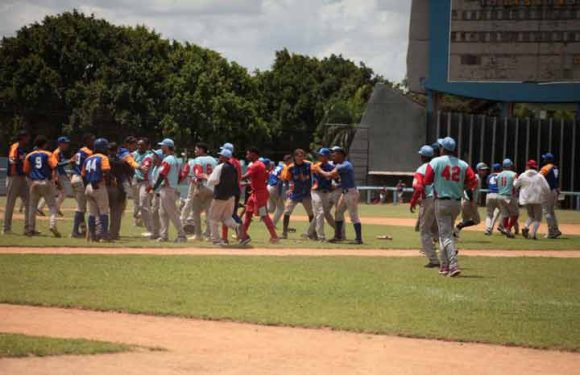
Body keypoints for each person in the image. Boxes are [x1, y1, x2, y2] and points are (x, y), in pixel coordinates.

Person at [423, 137, 478, 277]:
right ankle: (444, 266)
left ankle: (453, 265)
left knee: (446, 235)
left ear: (442, 148)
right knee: (444, 234)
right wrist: (462, 186)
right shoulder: (463, 164)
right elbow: (473, 181)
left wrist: (439, 181)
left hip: (441, 201)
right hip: (456, 202)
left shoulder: (436, 161)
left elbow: (426, 180)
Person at [317, 146, 363, 245]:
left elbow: (329, 175)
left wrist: (318, 169)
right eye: (332, 153)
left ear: (341, 155)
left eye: (335, 153)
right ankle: (338, 236)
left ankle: (359, 239)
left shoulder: (346, 165)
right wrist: (337, 184)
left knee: (353, 216)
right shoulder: (340, 165)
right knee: (338, 213)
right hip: (345, 192)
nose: (332, 155)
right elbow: (340, 179)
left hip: (351, 193)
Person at [238, 147, 279, 245]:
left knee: (264, 215)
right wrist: (248, 184)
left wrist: (234, 177)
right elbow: (258, 179)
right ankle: (243, 235)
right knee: (248, 213)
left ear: (254, 154)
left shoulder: (256, 165)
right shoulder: (260, 164)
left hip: (259, 194)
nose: (247, 156)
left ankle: (274, 237)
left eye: (248, 154)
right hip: (255, 193)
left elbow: (246, 176)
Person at [149, 138, 186, 243]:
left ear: (167, 147)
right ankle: (164, 235)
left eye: (162, 146)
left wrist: (154, 187)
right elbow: (180, 176)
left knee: (172, 213)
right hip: (169, 188)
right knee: (163, 213)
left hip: (167, 189)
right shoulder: (175, 159)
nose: (161, 147)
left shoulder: (168, 159)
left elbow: (162, 174)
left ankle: (182, 235)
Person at [23, 135, 60, 237]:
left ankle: (30, 228)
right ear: (44, 144)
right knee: (52, 206)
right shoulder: (48, 154)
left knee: (32, 207)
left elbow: (26, 171)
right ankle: (52, 225)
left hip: (34, 182)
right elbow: (55, 166)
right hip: (45, 181)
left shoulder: (29, 155)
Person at [180, 143, 217, 241]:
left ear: (201, 150)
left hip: (200, 186)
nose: (195, 151)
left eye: (196, 149)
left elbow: (198, 174)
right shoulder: (214, 160)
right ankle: (209, 235)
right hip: (212, 188)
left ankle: (198, 234)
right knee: (209, 212)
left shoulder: (197, 160)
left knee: (195, 211)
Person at [410, 145, 439, 267]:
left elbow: (418, 187)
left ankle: (433, 259)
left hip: (429, 200)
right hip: (441, 199)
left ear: (422, 157)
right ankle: (450, 250)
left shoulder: (421, 169)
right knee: (438, 230)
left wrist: (413, 201)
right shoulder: (438, 166)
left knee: (424, 230)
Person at [206, 148, 242, 246]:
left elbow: (213, 181)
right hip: (231, 196)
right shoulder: (233, 168)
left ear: (224, 157)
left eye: (221, 156)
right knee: (226, 217)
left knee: (213, 219)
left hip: (220, 196)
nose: (219, 157)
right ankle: (237, 226)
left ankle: (216, 240)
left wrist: (207, 177)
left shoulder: (220, 167)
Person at [82, 138, 112, 242]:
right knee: (104, 212)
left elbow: (83, 175)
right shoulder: (103, 157)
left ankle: (91, 235)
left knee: (91, 213)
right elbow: (106, 171)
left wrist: (89, 184)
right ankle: (104, 236)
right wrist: (106, 182)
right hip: (99, 186)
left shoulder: (88, 158)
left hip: (89, 186)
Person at [280, 148, 314, 239]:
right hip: (294, 193)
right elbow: (287, 179)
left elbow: (315, 174)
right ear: (294, 157)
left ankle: (312, 233)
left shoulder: (309, 165)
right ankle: (284, 233)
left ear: (304, 156)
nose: (300, 157)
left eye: (302, 155)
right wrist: (288, 189)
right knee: (287, 212)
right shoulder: (290, 167)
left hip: (306, 193)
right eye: (298, 156)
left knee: (311, 214)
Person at [3, 130, 31, 235]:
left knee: (29, 201)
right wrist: (14, 172)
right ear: (22, 137)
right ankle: (6, 228)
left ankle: (28, 228)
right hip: (14, 178)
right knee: (10, 203)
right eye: (27, 137)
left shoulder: (23, 149)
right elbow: (12, 159)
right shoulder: (15, 146)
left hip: (22, 178)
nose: (28, 139)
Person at [514, 160, 550, 240]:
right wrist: (545, 196)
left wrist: (515, 180)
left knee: (531, 215)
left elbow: (516, 186)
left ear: (527, 166)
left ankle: (526, 227)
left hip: (526, 199)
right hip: (537, 199)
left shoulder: (523, 175)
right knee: (538, 218)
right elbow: (547, 188)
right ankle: (533, 234)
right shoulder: (540, 176)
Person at [106, 142, 134, 240]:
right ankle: (114, 234)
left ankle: (101, 233)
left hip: (104, 187)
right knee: (116, 212)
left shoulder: (104, 160)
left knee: (102, 211)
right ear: (117, 150)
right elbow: (131, 172)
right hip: (118, 187)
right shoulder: (122, 161)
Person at [308, 148, 337, 242]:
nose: (320, 156)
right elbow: (326, 175)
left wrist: (335, 182)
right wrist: (332, 174)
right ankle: (321, 237)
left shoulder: (331, 167)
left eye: (322, 155)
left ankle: (309, 232)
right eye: (319, 155)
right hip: (316, 192)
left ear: (327, 157)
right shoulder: (316, 166)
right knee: (320, 213)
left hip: (326, 193)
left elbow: (336, 178)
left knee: (321, 214)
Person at [70, 133, 95, 238]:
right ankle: (75, 232)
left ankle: (82, 229)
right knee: (80, 208)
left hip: (74, 177)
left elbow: (71, 161)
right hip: (81, 179)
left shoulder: (79, 151)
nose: (94, 142)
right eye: (92, 139)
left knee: (81, 206)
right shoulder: (88, 152)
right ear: (87, 140)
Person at [455, 162, 489, 235]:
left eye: (485, 170)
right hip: (469, 202)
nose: (484, 172)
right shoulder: (476, 178)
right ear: (478, 170)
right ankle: (457, 227)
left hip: (465, 201)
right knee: (477, 220)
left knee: (465, 220)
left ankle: (455, 233)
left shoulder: (476, 177)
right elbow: (469, 190)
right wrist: (472, 201)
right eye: (482, 170)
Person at [132, 138, 153, 231]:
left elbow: (146, 167)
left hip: (145, 182)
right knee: (136, 204)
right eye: (138, 145)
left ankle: (151, 229)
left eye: (142, 145)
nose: (139, 147)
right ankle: (137, 221)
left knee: (144, 204)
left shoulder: (150, 155)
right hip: (135, 181)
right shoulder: (134, 154)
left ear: (148, 146)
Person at [539, 153, 562, 239]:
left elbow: (538, 177)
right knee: (551, 212)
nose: (543, 159)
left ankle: (551, 232)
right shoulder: (555, 167)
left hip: (548, 192)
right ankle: (556, 230)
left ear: (547, 160)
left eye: (545, 158)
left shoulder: (546, 167)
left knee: (546, 211)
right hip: (554, 191)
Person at [497, 159, 519, 238]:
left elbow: (497, 182)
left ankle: (506, 230)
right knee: (515, 214)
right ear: (510, 165)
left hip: (500, 196)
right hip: (509, 195)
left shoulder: (499, 175)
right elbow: (515, 184)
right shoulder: (513, 174)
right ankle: (508, 229)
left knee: (505, 214)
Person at [267, 154, 291, 226]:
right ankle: (272, 225)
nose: (292, 162)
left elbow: (271, 176)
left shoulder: (278, 166)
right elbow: (281, 180)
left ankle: (259, 210)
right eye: (291, 160)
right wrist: (280, 192)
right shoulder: (286, 168)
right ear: (288, 161)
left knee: (271, 208)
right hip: (274, 187)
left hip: (268, 186)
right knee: (281, 208)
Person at [52, 136, 72, 215]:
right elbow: (56, 165)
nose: (67, 145)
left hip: (60, 173)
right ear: (60, 144)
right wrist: (69, 161)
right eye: (65, 143)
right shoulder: (57, 152)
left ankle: (41, 208)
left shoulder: (60, 152)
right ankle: (55, 208)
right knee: (63, 192)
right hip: (57, 174)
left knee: (59, 192)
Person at [147, 149, 164, 240]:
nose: (152, 157)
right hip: (155, 194)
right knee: (154, 214)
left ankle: (161, 234)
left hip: (160, 194)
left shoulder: (161, 168)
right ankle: (155, 233)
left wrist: (153, 189)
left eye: (155, 156)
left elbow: (161, 182)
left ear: (159, 158)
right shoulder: (155, 168)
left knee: (160, 215)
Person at [484, 163, 501, 235]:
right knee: (501, 211)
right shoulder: (501, 175)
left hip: (490, 194)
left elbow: (488, 183)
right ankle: (501, 227)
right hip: (499, 195)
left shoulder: (489, 176)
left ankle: (488, 229)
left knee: (489, 214)